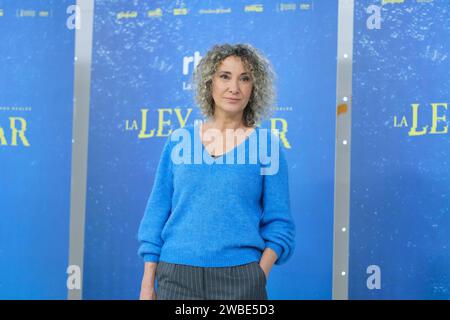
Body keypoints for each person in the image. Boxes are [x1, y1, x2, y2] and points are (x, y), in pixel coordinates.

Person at [138, 43, 295, 300]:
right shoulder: (179, 141)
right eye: (225, 76)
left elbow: (280, 224)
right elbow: (156, 214)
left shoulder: (267, 146)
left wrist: (258, 275)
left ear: (254, 88)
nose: (234, 88)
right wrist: (147, 285)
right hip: (175, 277)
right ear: (209, 83)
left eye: (244, 79)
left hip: (241, 278)